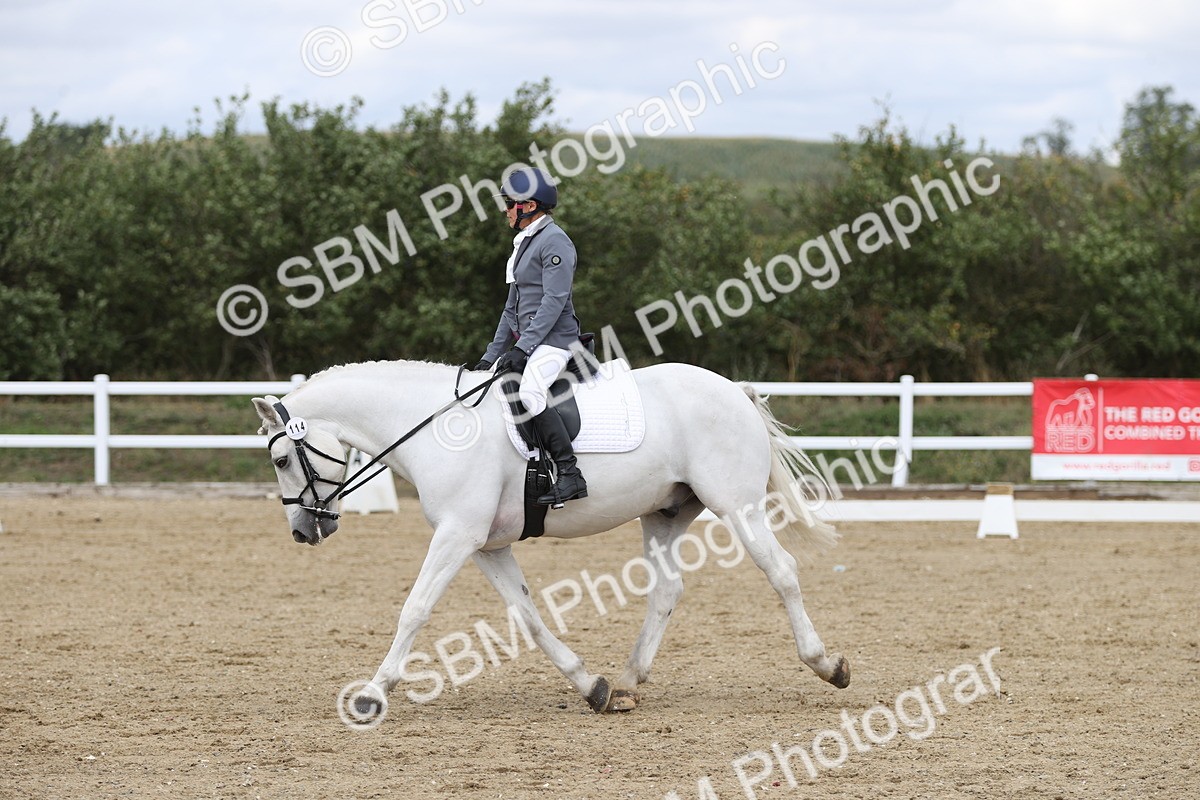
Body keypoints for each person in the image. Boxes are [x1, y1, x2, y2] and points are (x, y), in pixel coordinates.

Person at [474, 167, 588, 506]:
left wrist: (523, 347)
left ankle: (570, 473)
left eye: (510, 203)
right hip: (535, 342)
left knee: (531, 392)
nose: (506, 210)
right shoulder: (524, 244)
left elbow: (553, 302)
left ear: (530, 206)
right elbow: (511, 310)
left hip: (556, 341)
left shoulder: (555, 241)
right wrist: (489, 356)